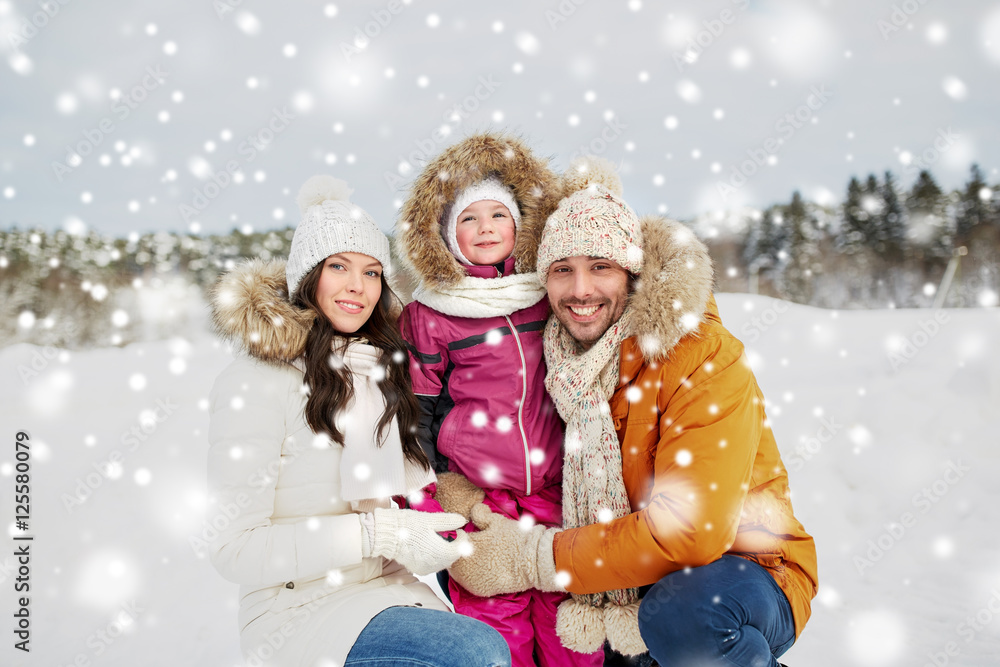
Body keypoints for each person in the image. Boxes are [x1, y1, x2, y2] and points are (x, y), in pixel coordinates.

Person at [439, 157, 819, 667]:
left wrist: (534, 558)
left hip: (741, 570)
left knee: (685, 617)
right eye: (562, 271)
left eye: (601, 267)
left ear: (633, 272)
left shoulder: (698, 353)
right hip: (625, 583)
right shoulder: (557, 361)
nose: (581, 291)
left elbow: (692, 532)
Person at [206, 174, 511, 667]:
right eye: (339, 267)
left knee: (488, 650)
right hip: (297, 606)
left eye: (372, 273)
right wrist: (380, 534)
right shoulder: (256, 380)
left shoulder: (378, 370)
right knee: (476, 654)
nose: (357, 286)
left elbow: (413, 487)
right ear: (307, 276)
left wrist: (437, 531)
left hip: (389, 587)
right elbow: (233, 548)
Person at [395, 133, 604, 667]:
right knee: (495, 639)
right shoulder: (432, 313)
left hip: (562, 498)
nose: (485, 227)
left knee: (572, 637)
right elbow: (412, 418)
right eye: (468, 218)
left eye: (497, 214)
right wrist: (432, 508)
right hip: (484, 503)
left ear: (521, 225)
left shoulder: (550, 294)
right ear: (445, 234)